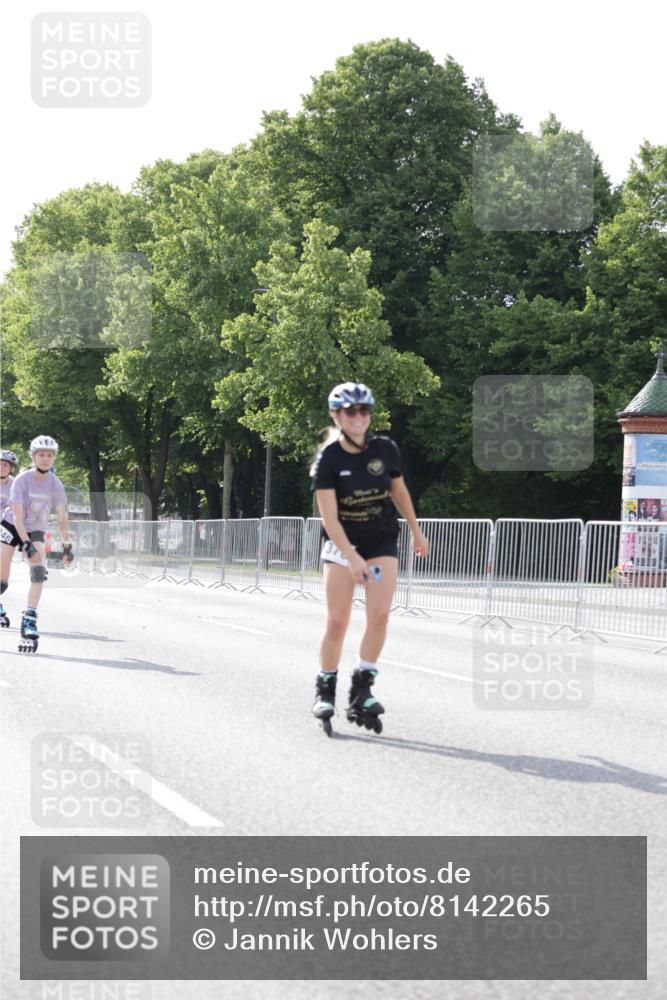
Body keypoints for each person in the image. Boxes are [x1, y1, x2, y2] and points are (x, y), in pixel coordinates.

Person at [310, 382, 428, 735]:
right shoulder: (328, 460)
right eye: (350, 411)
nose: (358, 417)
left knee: (378, 616)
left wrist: (416, 530)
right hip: (340, 545)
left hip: (379, 541)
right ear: (337, 416)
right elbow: (330, 519)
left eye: (364, 410)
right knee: (337, 622)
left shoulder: (385, 449)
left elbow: (399, 490)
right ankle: (325, 689)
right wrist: (350, 558)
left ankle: (362, 688)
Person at [0, 435, 74, 650]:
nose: (45, 458)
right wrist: (25, 544)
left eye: (49, 455)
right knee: (2, 583)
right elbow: (17, 515)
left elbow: (62, 518)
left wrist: (67, 546)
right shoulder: (21, 480)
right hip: (12, 527)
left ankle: (30, 617)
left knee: (39, 572)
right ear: (33, 456)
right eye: (41, 454)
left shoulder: (56, 484)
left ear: (54, 458)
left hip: (36, 529)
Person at [0, 449, 19, 627]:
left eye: (5, 465)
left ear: (11, 468)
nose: (1, 467)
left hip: (5, 530)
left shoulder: (15, 485)